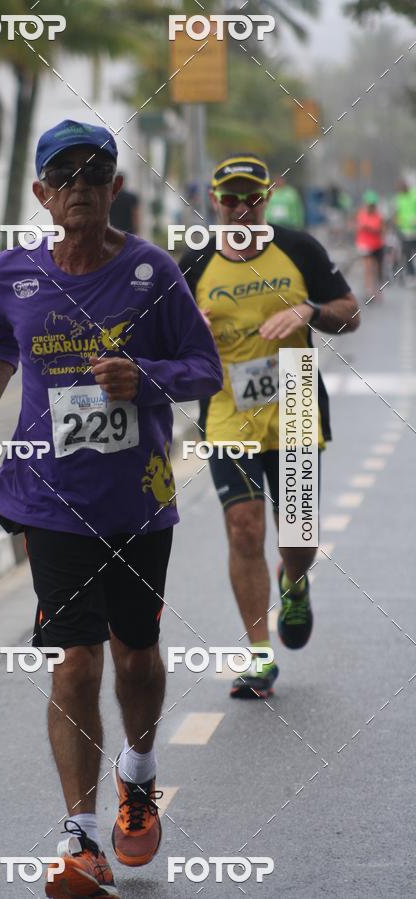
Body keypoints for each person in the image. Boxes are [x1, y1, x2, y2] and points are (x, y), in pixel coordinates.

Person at [0, 119, 223, 898]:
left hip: (137, 499)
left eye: (94, 170)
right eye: (63, 173)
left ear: (115, 187)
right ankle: (79, 838)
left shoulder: (153, 273)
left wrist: (144, 377)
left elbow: (204, 371)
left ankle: (137, 774)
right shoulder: (12, 272)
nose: (79, 183)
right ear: (41, 193)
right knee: (75, 660)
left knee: (135, 653)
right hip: (49, 497)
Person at [179, 153, 360, 700]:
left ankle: (295, 580)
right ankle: (259, 656)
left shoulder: (299, 248)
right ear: (214, 201)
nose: (240, 209)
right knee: (244, 528)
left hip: (297, 398)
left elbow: (350, 312)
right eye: (230, 199)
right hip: (229, 409)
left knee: (298, 537)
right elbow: (159, 342)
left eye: (251, 198)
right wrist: (189, 332)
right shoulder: (190, 263)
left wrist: (309, 311)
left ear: (267, 197)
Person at [355, 190, 385, 300]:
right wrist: (371, 228)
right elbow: (361, 226)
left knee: (377, 269)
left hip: (377, 245)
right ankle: (369, 291)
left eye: (373, 204)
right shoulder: (362, 214)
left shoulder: (378, 215)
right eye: (370, 204)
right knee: (368, 268)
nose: (371, 206)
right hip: (365, 245)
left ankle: (377, 290)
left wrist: (371, 228)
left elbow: (380, 229)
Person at [394, 180, 416, 281]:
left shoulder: (413, 195)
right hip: (405, 231)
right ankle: (411, 274)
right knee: (407, 254)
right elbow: (398, 214)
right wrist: (398, 223)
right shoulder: (399, 199)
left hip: (414, 230)